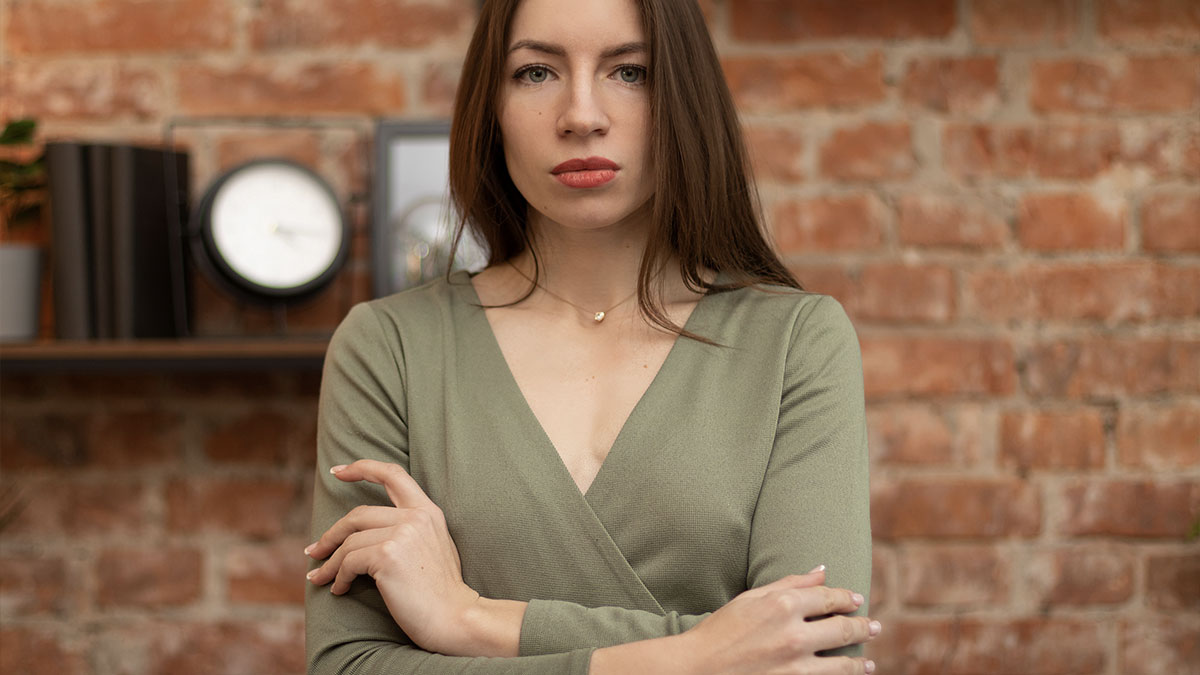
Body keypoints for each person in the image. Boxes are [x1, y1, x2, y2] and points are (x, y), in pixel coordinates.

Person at [304, 0, 877, 672]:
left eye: (629, 72)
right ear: (491, 104)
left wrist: (470, 618)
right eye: (536, 73)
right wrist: (696, 654)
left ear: (685, 98)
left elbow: (815, 653)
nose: (581, 115)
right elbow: (349, 665)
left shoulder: (796, 342)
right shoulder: (388, 347)